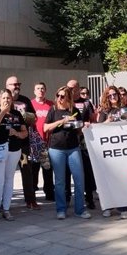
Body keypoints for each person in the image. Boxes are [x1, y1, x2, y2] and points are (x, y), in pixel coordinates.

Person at [44, 86, 91, 220]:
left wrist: (83, 126)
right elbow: (46, 128)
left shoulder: (74, 110)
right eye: (58, 95)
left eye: (63, 96)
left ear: (68, 98)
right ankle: (61, 209)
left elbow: (79, 129)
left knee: (79, 179)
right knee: (60, 181)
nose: (59, 98)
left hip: (73, 148)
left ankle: (80, 209)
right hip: (56, 148)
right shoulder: (53, 110)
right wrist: (61, 121)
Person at [0, 89, 27, 222]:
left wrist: (16, 133)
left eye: (8, 98)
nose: (6, 100)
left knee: (9, 180)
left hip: (14, 150)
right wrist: (3, 112)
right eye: (3, 98)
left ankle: (6, 209)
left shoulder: (16, 114)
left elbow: (24, 133)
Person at [97, 86, 127, 219]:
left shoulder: (125, 108)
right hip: (109, 149)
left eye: (114, 95)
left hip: (124, 148)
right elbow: (98, 127)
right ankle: (108, 206)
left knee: (122, 179)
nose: (112, 97)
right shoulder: (105, 111)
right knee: (108, 179)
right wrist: (107, 121)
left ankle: (124, 207)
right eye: (109, 95)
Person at [5, 76, 35, 212]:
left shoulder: (25, 100)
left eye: (18, 84)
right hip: (6, 143)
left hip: (23, 142)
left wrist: (27, 117)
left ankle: (30, 200)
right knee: (5, 174)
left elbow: (34, 118)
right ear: (7, 85)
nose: (17, 86)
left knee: (26, 171)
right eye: (14, 84)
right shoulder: (2, 100)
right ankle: (3, 202)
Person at [68, 78, 97, 210]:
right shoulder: (65, 103)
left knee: (87, 171)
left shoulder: (86, 103)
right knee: (67, 171)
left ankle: (89, 198)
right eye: (68, 88)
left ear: (78, 89)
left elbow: (93, 119)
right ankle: (67, 198)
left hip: (84, 141)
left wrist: (89, 123)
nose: (70, 90)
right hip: (68, 140)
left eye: (73, 88)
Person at [32, 82, 55, 202]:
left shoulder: (51, 105)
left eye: (42, 88)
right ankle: (32, 195)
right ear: (34, 91)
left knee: (47, 169)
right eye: (38, 88)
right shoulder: (30, 104)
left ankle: (49, 193)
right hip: (34, 143)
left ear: (45, 91)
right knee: (34, 170)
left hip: (47, 142)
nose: (40, 90)